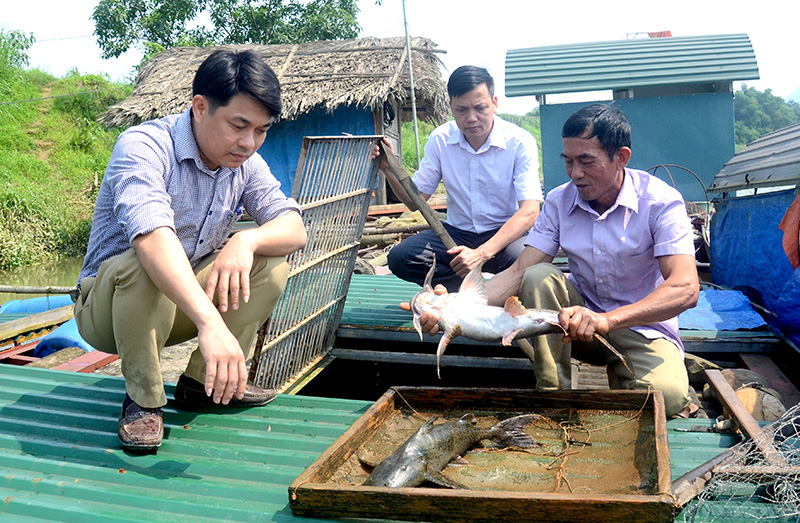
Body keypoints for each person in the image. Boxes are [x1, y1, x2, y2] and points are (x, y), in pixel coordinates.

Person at [74, 49, 307, 451]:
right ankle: (143, 401)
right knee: (146, 260)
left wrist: (246, 239)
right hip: (107, 311)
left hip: (178, 305)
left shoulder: (244, 163)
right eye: (239, 125)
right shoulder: (144, 146)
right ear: (200, 107)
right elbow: (152, 237)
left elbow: (294, 228)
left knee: (270, 262)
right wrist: (210, 323)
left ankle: (202, 386)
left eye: (262, 130)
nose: (249, 142)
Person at [415, 103, 699, 418]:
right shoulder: (559, 200)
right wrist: (452, 306)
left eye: (586, 161)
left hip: (639, 327)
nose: (575, 173)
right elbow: (520, 271)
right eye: (568, 161)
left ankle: (621, 370)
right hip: (569, 325)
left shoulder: (660, 202)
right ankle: (554, 395)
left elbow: (685, 288)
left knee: (667, 398)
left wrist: (608, 320)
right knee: (537, 275)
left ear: (621, 157)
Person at [378, 65, 542, 291]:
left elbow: (530, 211)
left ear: (494, 104)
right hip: (456, 235)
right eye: (462, 110)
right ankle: (471, 291)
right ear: (450, 108)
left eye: (480, 108)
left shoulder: (519, 141)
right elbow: (414, 201)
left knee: (529, 261)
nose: (472, 118)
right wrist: (388, 168)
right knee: (401, 258)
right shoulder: (440, 140)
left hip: (505, 234)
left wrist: (481, 254)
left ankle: (491, 290)